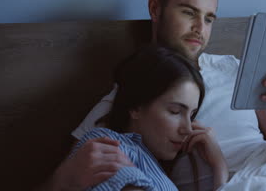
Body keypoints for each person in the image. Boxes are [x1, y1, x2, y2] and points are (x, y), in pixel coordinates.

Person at [45, 0, 266, 190]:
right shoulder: (131, 100)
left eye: (209, 18)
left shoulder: (232, 69)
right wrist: (63, 178)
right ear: (155, 9)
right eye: (189, 13)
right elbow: (68, 178)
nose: (200, 28)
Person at [71, 45, 228, 190]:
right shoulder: (109, 146)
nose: (187, 129)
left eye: (192, 114)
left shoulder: (151, 166)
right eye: (175, 111)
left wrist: (220, 168)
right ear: (136, 107)